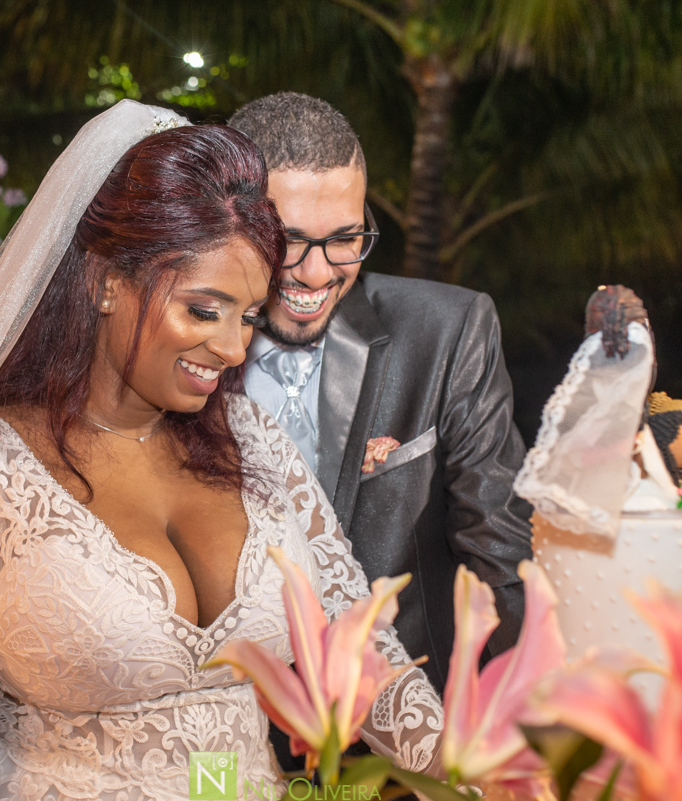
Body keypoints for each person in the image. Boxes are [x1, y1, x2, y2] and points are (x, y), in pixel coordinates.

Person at [0, 102, 442, 801]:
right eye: (203, 310)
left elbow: (360, 648)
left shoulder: (253, 441)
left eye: (249, 316)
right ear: (106, 281)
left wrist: (478, 772)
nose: (233, 348)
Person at [229, 93, 533, 691]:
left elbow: (500, 548)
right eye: (288, 240)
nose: (317, 274)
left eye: (345, 238)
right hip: (227, 716)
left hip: (403, 711)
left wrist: (534, 712)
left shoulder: (448, 332)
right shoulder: (174, 350)